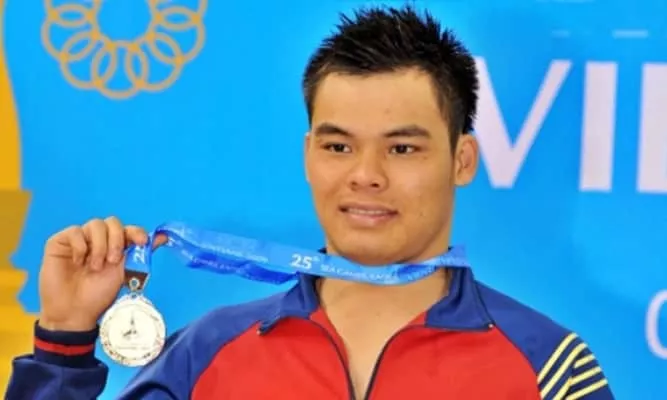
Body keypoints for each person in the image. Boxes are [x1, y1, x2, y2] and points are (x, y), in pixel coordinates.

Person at [6, 5, 614, 400]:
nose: (365, 176)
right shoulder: (206, 354)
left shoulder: (549, 367)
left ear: (462, 159)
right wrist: (65, 340)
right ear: (308, 155)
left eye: (402, 148)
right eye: (338, 146)